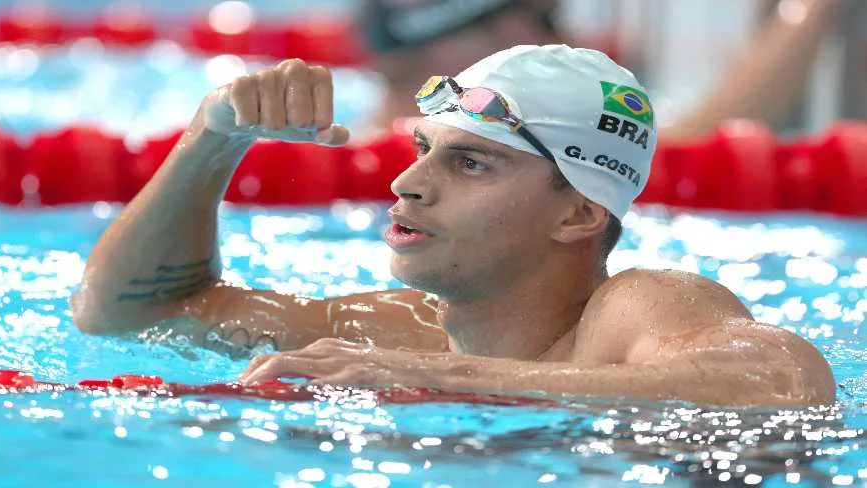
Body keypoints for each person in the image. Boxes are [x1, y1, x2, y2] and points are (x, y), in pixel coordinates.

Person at [71, 44, 836, 407]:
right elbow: (129, 314)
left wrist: (445, 380)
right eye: (422, 150)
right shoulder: (397, 329)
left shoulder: (634, 309)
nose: (406, 184)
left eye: (471, 164)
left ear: (579, 212)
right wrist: (213, 137)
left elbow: (787, 381)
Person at [359, 0, 844, 140]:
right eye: (548, 21)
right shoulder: (473, 134)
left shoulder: (377, 131)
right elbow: (692, 142)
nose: (564, 39)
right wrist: (812, 11)